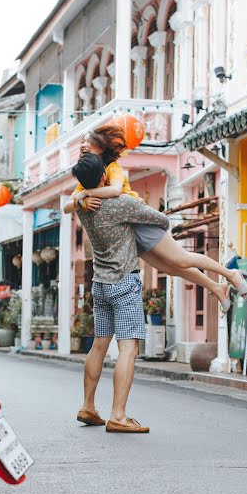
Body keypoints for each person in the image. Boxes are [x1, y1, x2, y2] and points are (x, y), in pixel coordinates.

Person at [63, 124, 247, 312]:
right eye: (82, 141)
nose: (83, 144)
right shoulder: (87, 175)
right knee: (171, 269)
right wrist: (82, 202)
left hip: (138, 222)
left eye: (88, 141)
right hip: (126, 233)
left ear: (101, 147)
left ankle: (230, 274)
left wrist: (85, 194)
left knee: (182, 259)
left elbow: (116, 190)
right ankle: (217, 288)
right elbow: (67, 207)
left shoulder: (111, 168)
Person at [71, 153, 168, 434]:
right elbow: (161, 220)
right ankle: (118, 415)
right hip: (124, 283)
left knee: (99, 345)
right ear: (104, 175)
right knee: (128, 349)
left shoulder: (82, 206)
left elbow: (75, 200)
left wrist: (80, 196)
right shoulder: (121, 203)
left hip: (100, 283)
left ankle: (88, 406)